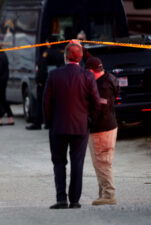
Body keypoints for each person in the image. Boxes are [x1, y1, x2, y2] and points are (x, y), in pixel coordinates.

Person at [43, 43, 100, 209]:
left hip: (58, 126)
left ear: (65, 56)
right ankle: (74, 200)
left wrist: (49, 122)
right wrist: (90, 120)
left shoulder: (54, 75)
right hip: (80, 126)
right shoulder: (88, 76)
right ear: (80, 57)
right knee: (77, 162)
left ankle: (61, 199)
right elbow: (96, 102)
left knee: (59, 163)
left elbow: (46, 102)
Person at [85, 57, 119, 206]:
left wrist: (87, 122)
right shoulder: (110, 77)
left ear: (91, 71)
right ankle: (103, 193)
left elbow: (100, 109)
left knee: (102, 162)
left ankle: (109, 194)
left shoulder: (101, 86)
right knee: (103, 161)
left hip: (101, 128)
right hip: (110, 125)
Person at [26, 37, 64, 130]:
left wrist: (39, 81)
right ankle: (49, 123)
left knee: (41, 103)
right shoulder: (61, 53)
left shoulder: (46, 53)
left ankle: (37, 123)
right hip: (58, 81)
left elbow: (42, 69)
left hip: (46, 81)